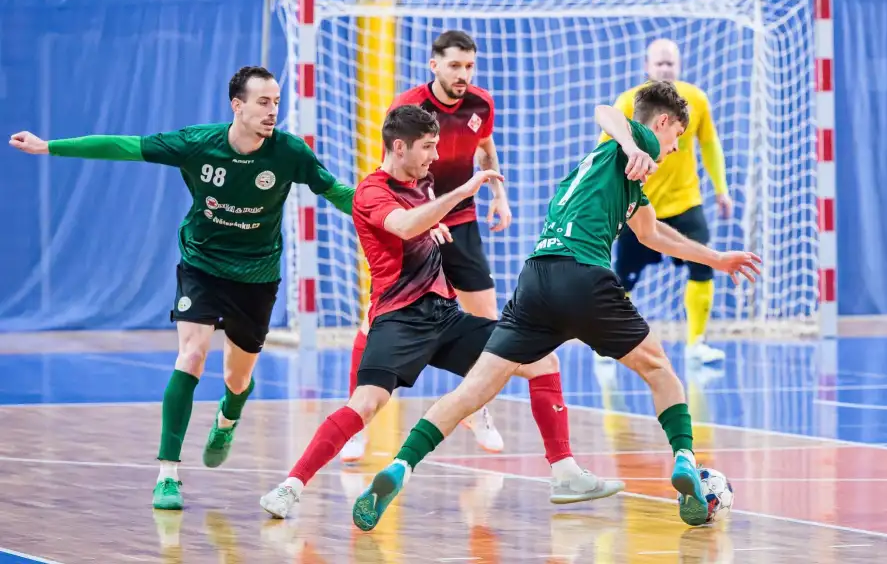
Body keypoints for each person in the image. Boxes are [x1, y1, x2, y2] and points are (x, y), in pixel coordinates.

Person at [353, 82, 761, 531]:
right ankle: (685, 460)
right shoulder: (634, 143)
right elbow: (606, 111)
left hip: (535, 279)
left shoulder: (600, 174)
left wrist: (717, 258)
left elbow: (652, 234)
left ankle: (400, 466)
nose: (675, 148)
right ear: (659, 123)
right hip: (582, 275)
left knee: (472, 392)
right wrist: (631, 141)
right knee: (660, 370)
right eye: (676, 136)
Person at [8, 66, 355, 511]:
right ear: (238, 105)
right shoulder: (198, 143)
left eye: (276, 102)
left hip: (257, 273)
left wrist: (390, 216)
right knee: (191, 356)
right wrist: (49, 147)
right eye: (263, 102)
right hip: (203, 264)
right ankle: (167, 475)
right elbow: (125, 147)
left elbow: (338, 192)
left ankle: (227, 419)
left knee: (238, 377)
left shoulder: (289, 152)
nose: (273, 111)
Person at [259, 104, 623, 520]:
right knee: (365, 405)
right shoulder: (371, 191)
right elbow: (402, 226)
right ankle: (290, 486)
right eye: (427, 147)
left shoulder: (424, 182)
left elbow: (418, 223)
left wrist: (435, 225)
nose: (434, 156)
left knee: (542, 361)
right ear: (399, 147)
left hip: (446, 318)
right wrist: (462, 194)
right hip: (399, 319)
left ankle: (564, 472)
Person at [341, 29, 517, 461]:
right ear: (433, 64)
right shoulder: (408, 107)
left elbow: (486, 150)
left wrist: (499, 196)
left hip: (463, 221)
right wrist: (420, 216)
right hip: (419, 220)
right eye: (455, 65)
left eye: (470, 66)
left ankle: (477, 409)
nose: (463, 74)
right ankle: (355, 424)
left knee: (489, 321)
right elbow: (395, 171)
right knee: (374, 322)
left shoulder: (481, 103)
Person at [600, 39, 733, 365]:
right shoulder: (630, 101)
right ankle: (611, 343)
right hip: (639, 204)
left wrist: (722, 189)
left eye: (670, 63)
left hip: (685, 201)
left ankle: (696, 344)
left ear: (679, 66)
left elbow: (710, 145)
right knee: (623, 275)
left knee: (703, 264)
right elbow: (605, 147)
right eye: (659, 63)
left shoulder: (696, 99)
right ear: (647, 66)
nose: (664, 69)